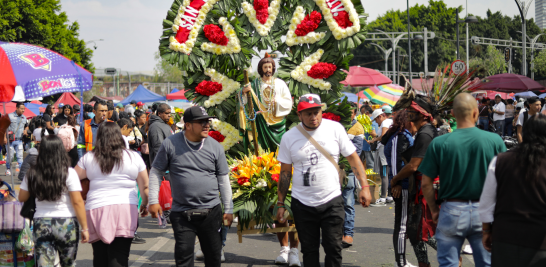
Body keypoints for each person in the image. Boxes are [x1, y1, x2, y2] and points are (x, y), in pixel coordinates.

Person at [276, 94, 372, 267]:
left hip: (331, 200)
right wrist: (281, 203)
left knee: (334, 248)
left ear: (322, 110)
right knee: (309, 251)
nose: (314, 117)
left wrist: (364, 186)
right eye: (308, 113)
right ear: (299, 115)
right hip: (302, 203)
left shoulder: (335, 129)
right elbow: (284, 173)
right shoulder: (289, 137)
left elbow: (353, 158)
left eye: (316, 112)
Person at [418, 93, 506, 267]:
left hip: (451, 210)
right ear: (475, 113)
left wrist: (435, 210)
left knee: (448, 264)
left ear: (452, 114)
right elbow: (505, 181)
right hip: (485, 213)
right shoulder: (494, 141)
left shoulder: (439, 143)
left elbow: (426, 183)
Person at [148, 106, 234, 267]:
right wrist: (153, 200)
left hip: (211, 212)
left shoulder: (215, 147)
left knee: (213, 258)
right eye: (201, 122)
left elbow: (223, 180)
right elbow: (156, 172)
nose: (207, 125)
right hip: (181, 213)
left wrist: (229, 209)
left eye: (208, 121)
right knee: (183, 257)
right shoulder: (170, 144)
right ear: (187, 125)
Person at [74, 122, 149, 267]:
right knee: (120, 256)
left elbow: (72, 178)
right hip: (126, 209)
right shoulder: (134, 157)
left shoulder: (89, 158)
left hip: (96, 208)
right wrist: (145, 204)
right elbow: (145, 186)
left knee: (100, 256)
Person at [479, 114, 546, 267]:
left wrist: (486, 231)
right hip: (540, 242)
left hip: (505, 238)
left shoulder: (501, 160)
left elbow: (486, 202)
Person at [18, 135, 88, 267]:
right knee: (68, 263)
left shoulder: (32, 173)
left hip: (41, 222)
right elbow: (77, 202)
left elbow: (22, 197)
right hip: (67, 223)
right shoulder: (69, 173)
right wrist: (85, 227)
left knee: (45, 264)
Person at [391, 95, 439, 267]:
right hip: (422, 187)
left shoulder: (425, 134)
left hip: (425, 189)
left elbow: (413, 166)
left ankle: (449, 252)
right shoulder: (425, 132)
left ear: (423, 114)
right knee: (417, 231)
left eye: (413, 110)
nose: (410, 113)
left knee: (419, 231)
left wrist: (395, 179)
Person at [383, 110, 417, 267]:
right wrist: (396, 183)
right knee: (402, 225)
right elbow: (397, 161)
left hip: (402, 183)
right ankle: (401, 262)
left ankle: (401, 260)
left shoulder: (402, 135)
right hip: (401, 185)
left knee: (403, 224)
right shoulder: (401, 136)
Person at [240, 53, 293, 151]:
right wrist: (243, 92)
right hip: (260, 123)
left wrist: (276, 102)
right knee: (261, 150)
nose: (268, 69)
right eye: (265, 67)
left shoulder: (280, 83)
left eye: (270, 67)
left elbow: (288, 102)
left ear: (273, 68)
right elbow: (244, 101)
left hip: (277, 123)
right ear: (261, 69)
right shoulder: (254, 84)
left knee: (280, 150)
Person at [341, 102, 365, 248]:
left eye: (349, 112)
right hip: (333, 171)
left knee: (348, 203)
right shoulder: (337, 125)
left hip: (348, 172)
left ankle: (348, 233)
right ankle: (336, 232)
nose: (346, 115)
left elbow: (356, 152)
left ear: (354, 113)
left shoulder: (358, 128)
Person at [369, 108, 393, 207]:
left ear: (380, 116)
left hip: (383, 150)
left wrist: (374, 140)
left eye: (376, 119)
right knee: (387, 174)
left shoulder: (385, 122)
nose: (376, 122)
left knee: (384, 175)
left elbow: (383, 136)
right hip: (385, 149)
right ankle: (389, 196)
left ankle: (383, 197)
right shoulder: (389, 122)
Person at [5, 102, 29, 176]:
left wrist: (26, 130)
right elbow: (4, 126)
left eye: (24, 109)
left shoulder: (24, 118)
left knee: (20, 156)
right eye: (21, 109)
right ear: (17, 108)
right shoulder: (9, 116)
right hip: (10, 140)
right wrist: (4, 138)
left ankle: (21, 170)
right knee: (10, 156)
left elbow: (26, 125)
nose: (23, 110)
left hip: (19, 140)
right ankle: (8, 169)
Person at [360, 105, 376, 170]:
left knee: (370, 165)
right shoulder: (371, 120)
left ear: (366, 113)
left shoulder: (370, 121)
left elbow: (373, 133)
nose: (361, 115)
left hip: (369, 146)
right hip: (365, 146)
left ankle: (371, 179)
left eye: (362, 113)